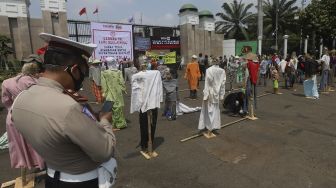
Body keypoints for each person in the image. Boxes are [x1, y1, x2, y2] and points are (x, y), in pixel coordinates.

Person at [11, 33, 116, 188]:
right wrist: (105, 121)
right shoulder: (69, 107)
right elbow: (105, 151)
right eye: (83, 72)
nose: (82, 78)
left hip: (52, 176)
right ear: (74, 70)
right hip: (82, 181)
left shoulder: (21, 98)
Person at [1, 56, 44, 171]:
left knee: (19, 144)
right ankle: (41, 164)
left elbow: (6, 101)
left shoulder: (6, 82)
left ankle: (24, 165)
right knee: (36, 142)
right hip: (32, 114)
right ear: (37, 70)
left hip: (14, 115)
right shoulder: (37, 82)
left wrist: (12, 108)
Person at [198, 58, 226, 137]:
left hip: (210, 92)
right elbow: (223, 84)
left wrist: (205, 94)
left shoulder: (208, 70)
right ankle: (213, 126)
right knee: (215, 110)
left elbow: (207, 83)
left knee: (208, 110)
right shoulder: (222, 71)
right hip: (216, 93)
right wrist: (221, 95)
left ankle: (209, 127)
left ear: (212, 62)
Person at [101, 57, 127, 129]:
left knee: (111, 107)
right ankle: (120, 123)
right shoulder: (118, 72)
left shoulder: (104, 73)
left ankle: (113, 124)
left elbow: (104, 84)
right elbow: (121, 82)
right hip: (118, 92)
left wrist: (104, 93)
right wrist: (123, 89)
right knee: (118, 107)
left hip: (110, 92)